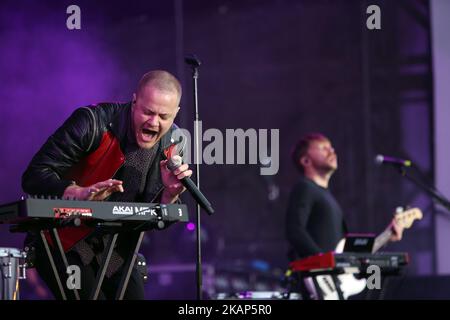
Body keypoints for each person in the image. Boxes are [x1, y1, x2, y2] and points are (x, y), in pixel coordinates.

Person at [21, 70, 192, 300]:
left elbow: (155, 220)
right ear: (134, 102)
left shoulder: (172, 142)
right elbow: (33, 176)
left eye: (164, 116)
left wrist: (169, 195)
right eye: (148, 112)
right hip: (63, 240)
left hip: (114, 250)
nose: (154, 122)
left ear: (176, 114)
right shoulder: (93, 122)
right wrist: (77, 192)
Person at [285, 133, 404, 298]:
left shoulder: (326, 196)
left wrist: (388, 235)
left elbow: (342, 252)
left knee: (378, 277)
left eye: (332, 148)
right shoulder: (305, 188)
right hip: (321, 279)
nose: (332, 152)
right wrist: (323, 262)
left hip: (334, 279)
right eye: (324, 148)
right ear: (306, 160)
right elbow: (294, 229)